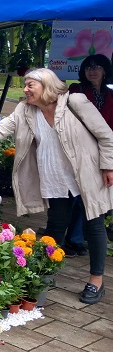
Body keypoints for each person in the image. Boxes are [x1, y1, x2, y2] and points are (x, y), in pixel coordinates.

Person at [0, 68, 113, 305]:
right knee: (55, 226)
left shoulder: (75, 101)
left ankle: (96, 281)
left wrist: (108, 166)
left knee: (93, 224)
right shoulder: (25, 110)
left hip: (86, 173)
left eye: (30, 85)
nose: (25, 90)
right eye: (24, 85)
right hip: (56, 177)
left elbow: (106, 134)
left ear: (47, 86)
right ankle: (43, 276)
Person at [64, 54, 113, 255]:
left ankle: (80, 237)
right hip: (79, 149)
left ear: (104, 71)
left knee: (94, 195)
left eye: (97, 67)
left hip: (103, 149)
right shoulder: (76, 90)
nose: (92, 71)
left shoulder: (110, 95)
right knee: (76, 195)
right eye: (88, 68)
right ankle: (71, 239)